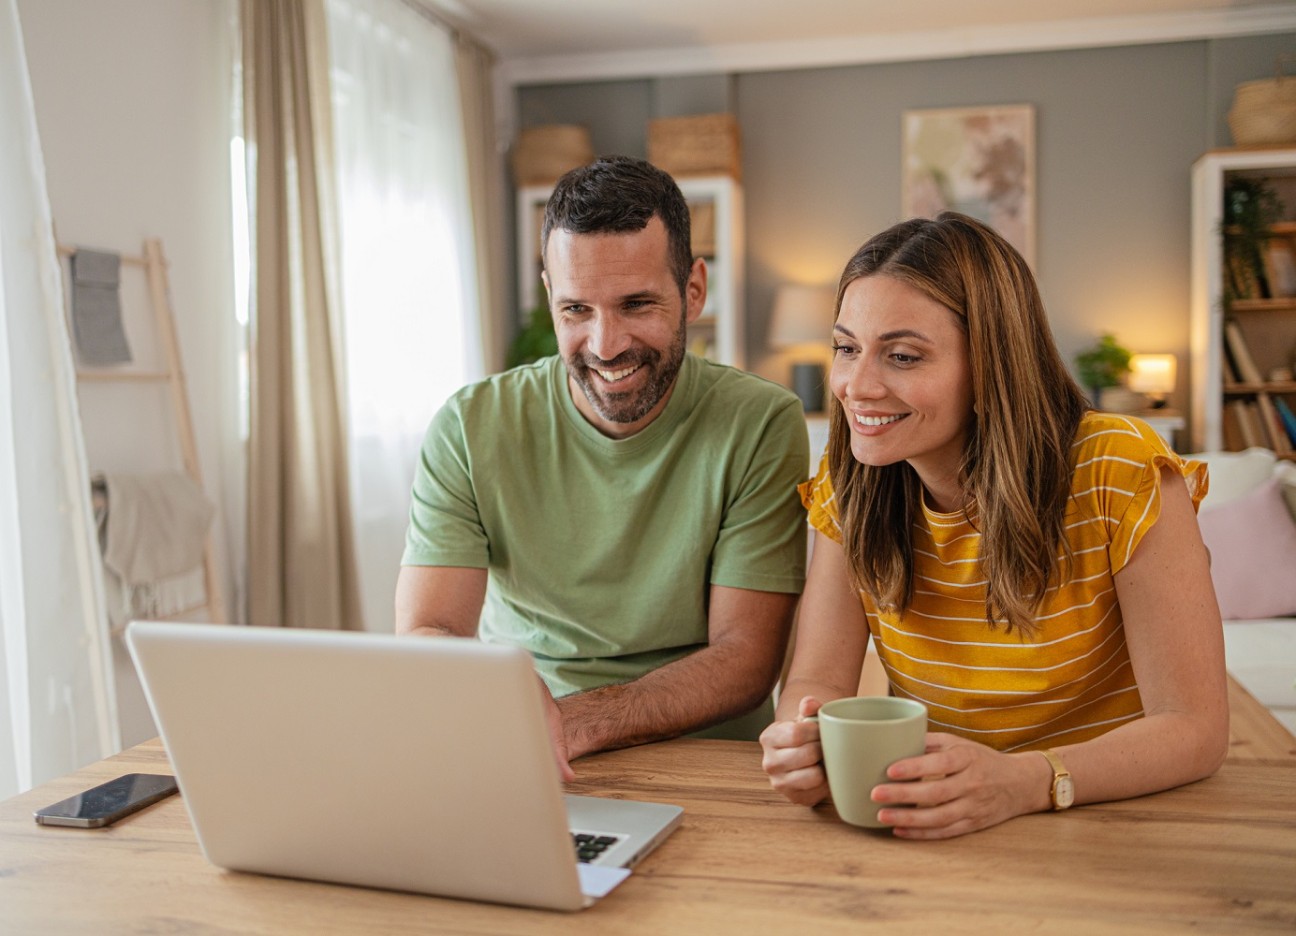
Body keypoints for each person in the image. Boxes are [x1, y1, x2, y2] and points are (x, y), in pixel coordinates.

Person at [760, 212, 1228, 839]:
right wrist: (801, 741)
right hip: (942, 817)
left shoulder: (1121, 468)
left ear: (991, 365)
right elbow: (816, 681)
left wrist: (1026, 782)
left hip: (1110, 819)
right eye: (846, 348)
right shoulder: (848, 484)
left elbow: (1193, 728)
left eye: (901, 355)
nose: (854, 386)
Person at [397, 155, 808, 778]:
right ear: (549, 297)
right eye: (576, 310)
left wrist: (573, 722)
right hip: (528, 752)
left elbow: (746, 658)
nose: (605, 344)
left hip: (704, 757)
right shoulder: (469, 426)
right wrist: (516, 712)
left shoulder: (761, 422)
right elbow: (428, 630)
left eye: (636, 304)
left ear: (693, 290)